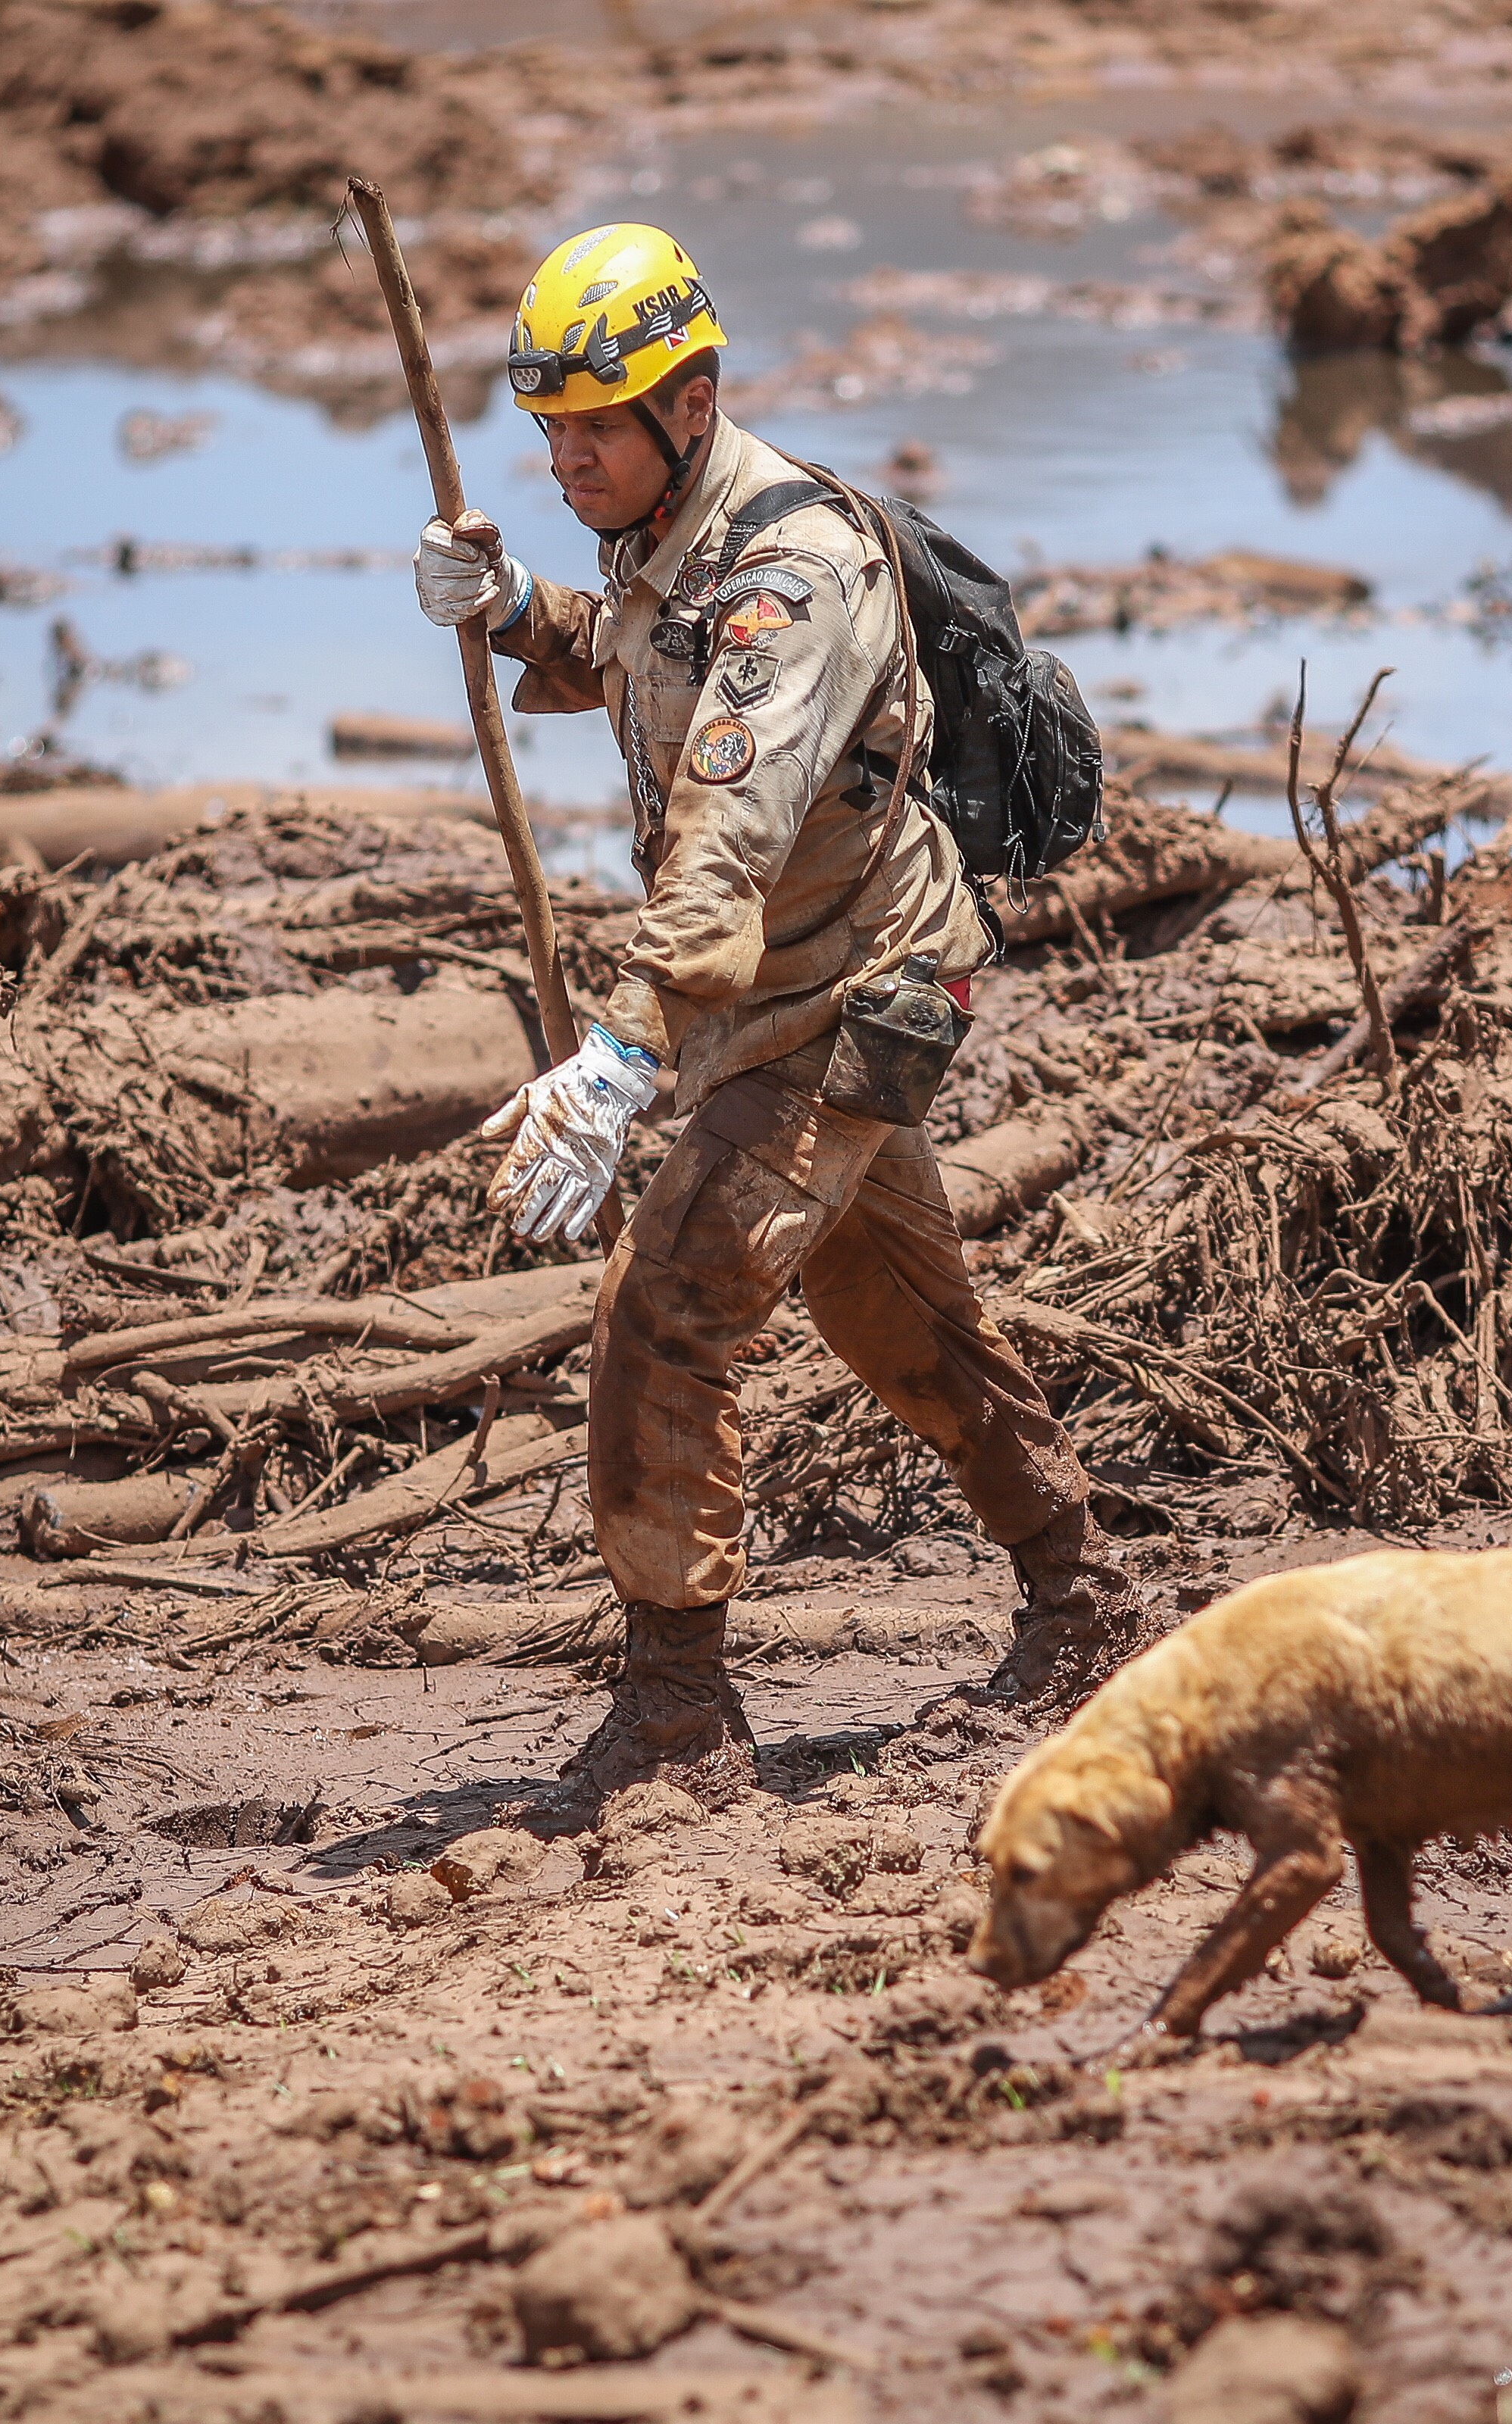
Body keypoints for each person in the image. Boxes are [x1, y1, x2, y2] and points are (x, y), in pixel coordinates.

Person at [412, 223, 1146, 1802]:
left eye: (591, 430)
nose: (563, 460)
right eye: (546, 432)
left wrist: (619, 1056)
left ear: (692, 400)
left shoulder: (788, 576)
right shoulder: (670, 534)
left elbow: (729, 844)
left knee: (667, 1304)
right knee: (892, 1302)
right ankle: (1085, 1607)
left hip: (855, 989)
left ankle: (679, 1714)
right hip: (789, 982)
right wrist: (514, 602)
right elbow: (625, 661)